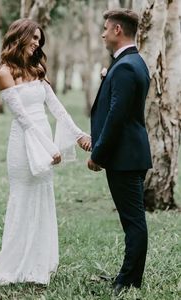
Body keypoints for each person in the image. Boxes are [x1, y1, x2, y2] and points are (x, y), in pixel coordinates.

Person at [0, 18, 90, 285]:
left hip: (42, 135)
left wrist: (79, 135)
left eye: (38, 39)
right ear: (19, 36)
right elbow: (23, 119)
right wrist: (49, 148)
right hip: (24, 143)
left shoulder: (38, 69)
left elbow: (57, 108)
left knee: (43, 199)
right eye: (33, 37)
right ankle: (15, 263)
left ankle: (38, 263)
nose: (36, 43)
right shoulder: (4, 73)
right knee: (22, 200)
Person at [88, 9, 152, 296]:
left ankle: (128, 282)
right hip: (130, 154)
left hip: (125, 157)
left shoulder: (126, 66)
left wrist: (98, 153)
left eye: (105, 28)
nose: (102, 33)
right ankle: (128, 276)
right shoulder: (132, 62)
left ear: (117, 30)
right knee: (133, 220)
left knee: (133, 222)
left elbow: (117, 116)